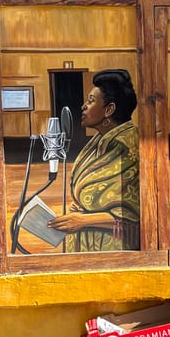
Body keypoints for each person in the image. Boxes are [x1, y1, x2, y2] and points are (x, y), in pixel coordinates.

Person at [48, 69, 140, 251]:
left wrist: (83, 220)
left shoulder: (129, 147)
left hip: (114, 248)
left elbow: (135, 215)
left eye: (91, 101)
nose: (83, 106)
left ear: (109, 109)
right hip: (87, 243)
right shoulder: (99, 141)